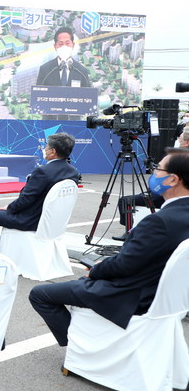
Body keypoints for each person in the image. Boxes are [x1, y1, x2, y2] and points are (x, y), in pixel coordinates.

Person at [29, 148, 189, 347]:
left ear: (173, 179)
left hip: (132, 295)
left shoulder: (158, 221)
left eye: (158, 169)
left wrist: (96, 270)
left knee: (40, 294)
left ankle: (80, 348)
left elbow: (125, 265)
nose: (154, 173)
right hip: (165, 298)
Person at [0, 132, 80, 245]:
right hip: (53, 222)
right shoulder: (73, 172)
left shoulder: (43, 171)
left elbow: (26, 200)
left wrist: (9, 208)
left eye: (47, 147)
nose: (44, 149)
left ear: (53, 151)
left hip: (30, 220)